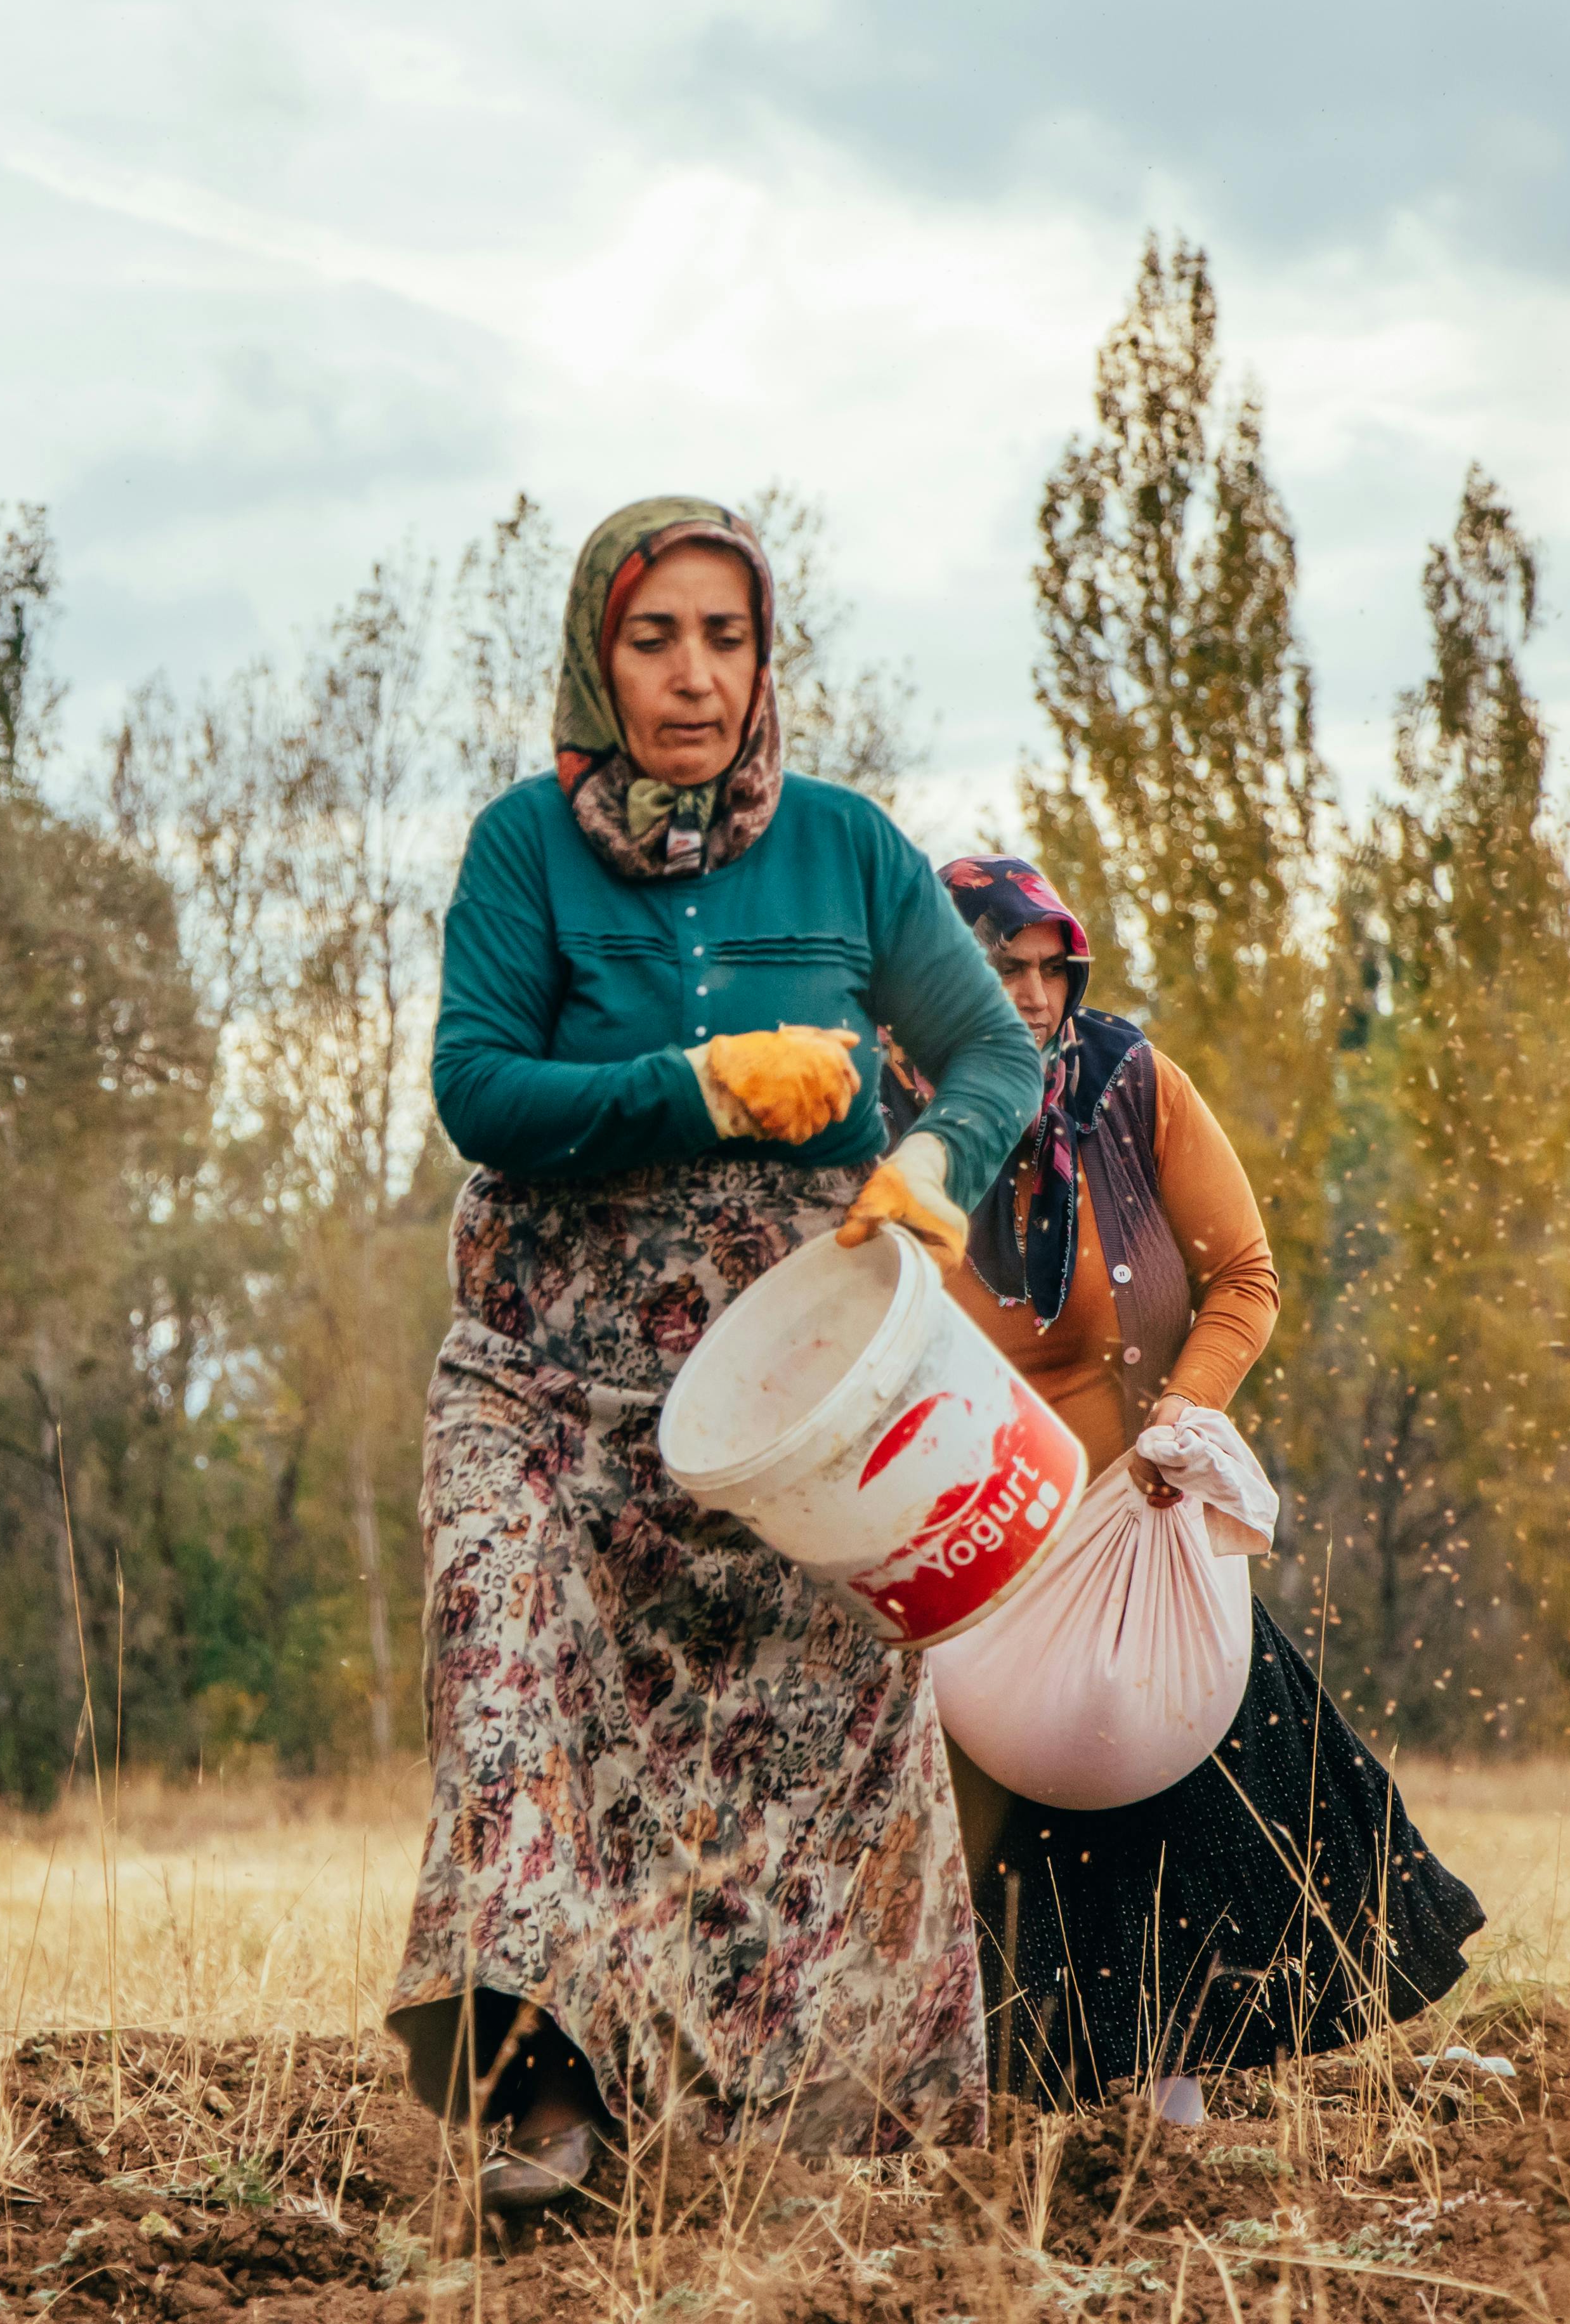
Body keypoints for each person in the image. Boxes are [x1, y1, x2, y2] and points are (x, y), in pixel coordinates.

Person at [389, 497, 1045, 2205]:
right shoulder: (522, 853)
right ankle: (536, 2105)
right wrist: (688, 1089)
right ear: (596, 658)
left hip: (792, 1397)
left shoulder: (848, 850)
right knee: (504, 1698)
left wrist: (927, 1166)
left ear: (767, 658)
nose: (692, 675)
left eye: (725, 637)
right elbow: (479, 1090)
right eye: (653, 637)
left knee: (818, 1763)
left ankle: (833, 2146)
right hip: (546, 1385)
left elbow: (991, 1056)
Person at [896, 856, 1484, 2117]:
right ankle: (999, 2129)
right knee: (1016, 1855)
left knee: (1194, 1797)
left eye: (1055, 966)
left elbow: (1247, 1274)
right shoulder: (892, 1142)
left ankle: (1180, 2116)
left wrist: (1187, 1408)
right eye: (1005, 969)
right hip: (988, 1549)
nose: (1039, 994)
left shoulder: (1129, 1090)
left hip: (1141, 1522)